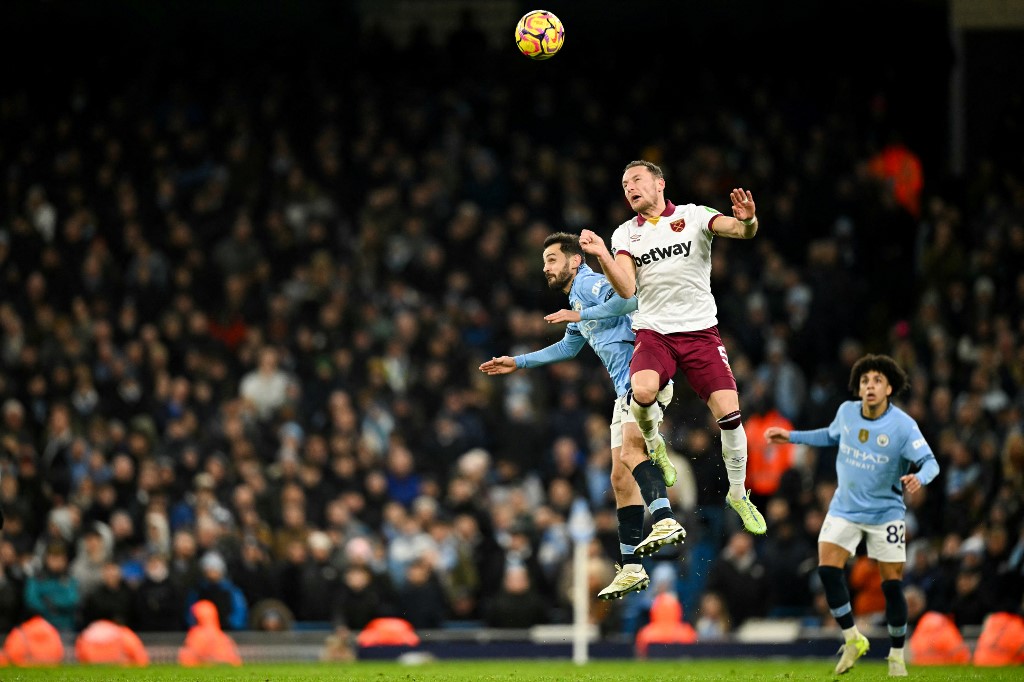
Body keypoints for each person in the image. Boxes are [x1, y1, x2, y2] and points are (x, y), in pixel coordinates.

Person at [479, 232, 683, 601]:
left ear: (575, 260)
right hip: (625, 392)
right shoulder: (576, 298)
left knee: (631, 455)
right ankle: (632, 566)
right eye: (544, 262)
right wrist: (519, 362)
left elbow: (630, 300)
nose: (546, 267)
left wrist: (581, 313)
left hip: (643, 379)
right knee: (620, 479)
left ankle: (666, 518)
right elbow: (570, 347)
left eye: (552, 259)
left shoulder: (590, 283)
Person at [578, 160, 767, 538]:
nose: (629, 187)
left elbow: (740, 230)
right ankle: (655, 444)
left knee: (730, 415)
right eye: (624, 183)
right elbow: (628, 288)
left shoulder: (694, 216)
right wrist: (602, 253)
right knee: (643, 391)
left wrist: (747, 220)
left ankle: (737, 493)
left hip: (700, 335)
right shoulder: (624, 235)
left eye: (636, 179)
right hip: (655, 333)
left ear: (659, 183)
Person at [765, 353, 940, 677]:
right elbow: (829, 435)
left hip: (886, 513)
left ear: (889, 388)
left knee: (891, 584)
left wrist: (920, 477)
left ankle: (897, 655)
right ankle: (852, 638)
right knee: (828, 571)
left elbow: (931, 462)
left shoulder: (903, 425)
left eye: (877, 381)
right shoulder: (847, 412)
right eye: (864, 381)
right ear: (858, 388)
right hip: (844, 508)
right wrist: (792, 436)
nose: (869, 386)